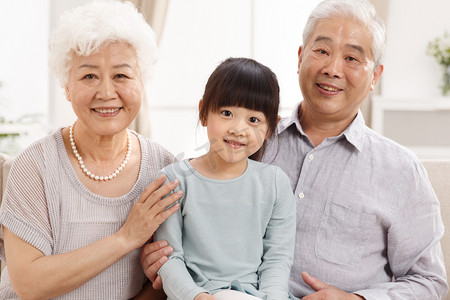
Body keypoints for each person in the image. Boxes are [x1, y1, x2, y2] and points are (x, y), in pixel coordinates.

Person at [142, 0, 448, 299]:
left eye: (352, 58)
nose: (332, 68)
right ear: (300, 57)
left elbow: (430, 283)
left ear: (375, 77)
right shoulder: (251, 139)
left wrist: (355, 299)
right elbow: (196, 208)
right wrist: (162, 263)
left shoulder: (400, 170)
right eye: (322, 51)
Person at [0, 1, 182, 299]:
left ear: (142, 82)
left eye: (121, 75)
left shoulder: (164, 168)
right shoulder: (35, 166)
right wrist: (126, 238)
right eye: (89, 76)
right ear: (67, 86)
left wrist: (160, 277)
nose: (107, 93)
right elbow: (29, 284)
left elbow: (170, 280)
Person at [153, 57, 296, 300]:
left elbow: (277, 260)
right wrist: (197, 297)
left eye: (254, 120)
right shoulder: (174, 180)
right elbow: (169, 257)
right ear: (203, 113)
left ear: (270, 128)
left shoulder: (274, 183)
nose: (238, 129)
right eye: (227, 113)